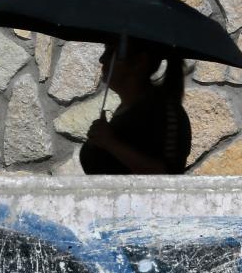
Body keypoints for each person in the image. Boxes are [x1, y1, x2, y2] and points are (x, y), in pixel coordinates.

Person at [79, 39, 192, 175]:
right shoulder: (128, 109)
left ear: (139, 62)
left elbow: (166, 176)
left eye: (111, 52)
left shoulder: (164, 114)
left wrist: (110, 142)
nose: (102, 59)